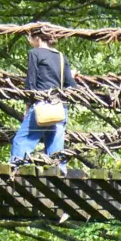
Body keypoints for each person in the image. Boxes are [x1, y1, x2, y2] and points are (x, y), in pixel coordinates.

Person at [11, 22, 74, 167]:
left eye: (30, 38)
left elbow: (31, 84)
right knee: (56, 148)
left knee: (21, 141)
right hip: (59, 107)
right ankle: (60, 176)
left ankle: (17, 171)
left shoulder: (35, 53)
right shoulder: (60, 56)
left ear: (37, 38)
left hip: (42, 106)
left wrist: (28, 108)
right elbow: (70, 84)